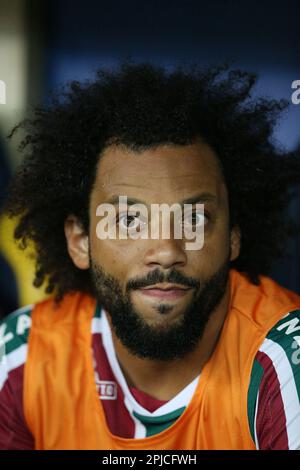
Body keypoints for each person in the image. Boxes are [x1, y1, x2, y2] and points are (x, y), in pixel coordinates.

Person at [0, 63, 300, 450]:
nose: (165, 251)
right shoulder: (22, 359)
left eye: (194, 219)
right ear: (79, 241)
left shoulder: (285, 367)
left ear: (233, 237)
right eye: (128, 220)